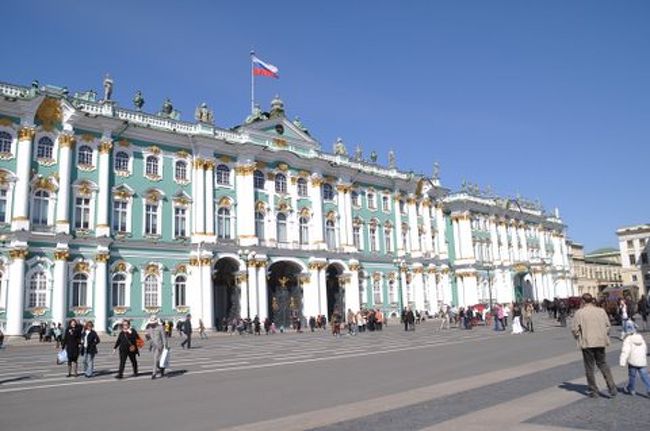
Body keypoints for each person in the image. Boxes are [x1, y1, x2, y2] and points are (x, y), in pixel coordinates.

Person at [571, 293, 617, 398]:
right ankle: (612, 386)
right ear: (592, 300)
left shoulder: (579, 313)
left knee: (589, 367)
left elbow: (574, 330)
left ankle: (594, 390)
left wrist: (578, 336)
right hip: (600, 341)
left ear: (583, 301)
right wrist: (603, 334)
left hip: (587, 343)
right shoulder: (601, 311)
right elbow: (608, 326)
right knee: (603, 364)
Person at [619, 320, 650, 396]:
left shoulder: (628, 339)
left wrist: (622, 361)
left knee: (632, 376)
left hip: (632, 361)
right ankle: (649, 388)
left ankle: (631, 389)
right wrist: (644, 355)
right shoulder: (640, 338)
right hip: (642, 361)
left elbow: (625, 351)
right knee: (645, 376)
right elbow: (645, 348)